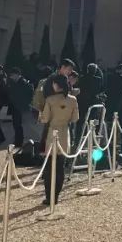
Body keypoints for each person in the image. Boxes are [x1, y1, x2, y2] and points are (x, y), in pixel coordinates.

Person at [39, 74, 79, 205]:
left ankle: (49, 196)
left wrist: (40, 115)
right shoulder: (72, 99)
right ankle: (56, 195)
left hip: (52, 133)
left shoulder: (50, 99)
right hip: (64, 133)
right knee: (60, 167)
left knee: (49, 167)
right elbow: (75, 118)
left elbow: (45, 119)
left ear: (56, 85)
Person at [5, 66, 33, 147]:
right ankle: (18, 140)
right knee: (16, 125)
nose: (11, 77)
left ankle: (20, 141)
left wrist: (24, 103)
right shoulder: (13, 82)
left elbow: (29, 94)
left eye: (12, 75)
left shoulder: (24, 82)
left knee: (19, 125)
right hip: (15, 107)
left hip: (20, 107)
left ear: (17, 74)